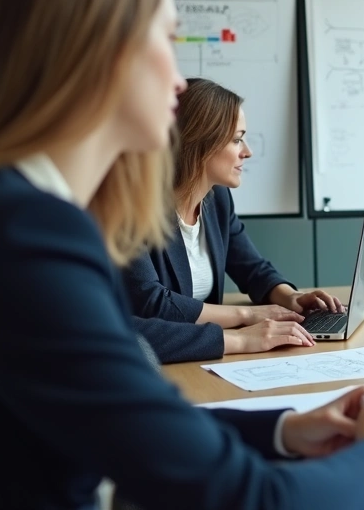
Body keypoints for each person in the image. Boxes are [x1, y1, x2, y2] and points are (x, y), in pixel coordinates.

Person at [0, 0, 364, 508]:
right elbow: (244, 498)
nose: (178, 80)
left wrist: (284, 429)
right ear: (97, 48)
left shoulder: (5, 212)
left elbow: (128, 421)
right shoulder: (23, 235)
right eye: (166, 40)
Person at [124, 78, 342, 360]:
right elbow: (153, 304)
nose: (247, 152)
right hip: (156, 361)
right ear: (200, 141)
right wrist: (247, 315)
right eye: (237, 139)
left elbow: (252, 269)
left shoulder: (217, 199)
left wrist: (291, 297)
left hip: (201, 357)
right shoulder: (133, 208)